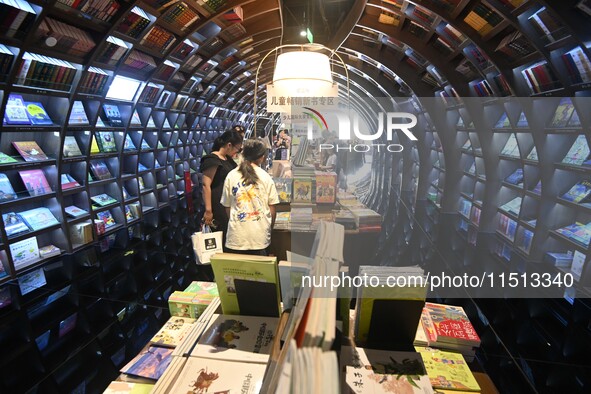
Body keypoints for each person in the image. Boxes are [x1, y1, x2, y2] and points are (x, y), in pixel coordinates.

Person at [221, 139, 279, 255]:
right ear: (261, 157)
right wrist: (268, 228)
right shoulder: (265, 177)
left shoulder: (231, 176)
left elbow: (227, 207)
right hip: (259, 237)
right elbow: (272, 208)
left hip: (236, 237)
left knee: (236, 272)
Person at [200, 130, 243, 249]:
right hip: (217, 203)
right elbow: (205, 185)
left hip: (226, 202)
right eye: (237, 149)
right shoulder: (212, 160)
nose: (237, 152)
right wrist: (208, 210)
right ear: (229, 145)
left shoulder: (227, 159)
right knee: (219, 235)